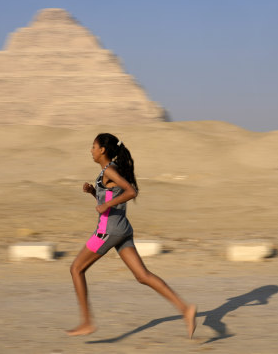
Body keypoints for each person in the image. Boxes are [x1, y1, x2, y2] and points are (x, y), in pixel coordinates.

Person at [66, 133, 197, 338]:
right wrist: (93, 192)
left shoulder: (110, 170)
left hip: (107, 231)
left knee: (76, 269)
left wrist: (106, 205)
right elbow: (112, 196)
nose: (90, 150)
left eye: (93, 146)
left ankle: (86, 322)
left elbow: (131, 191)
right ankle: (185, 309)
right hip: (122, 229)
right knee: (142, 276)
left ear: (102, 150)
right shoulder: (106, 172)